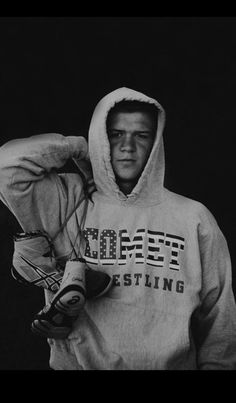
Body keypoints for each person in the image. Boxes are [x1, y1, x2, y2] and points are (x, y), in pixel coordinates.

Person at [0, 86, 236, 370]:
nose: (128, 146)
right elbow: (6, 167)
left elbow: (219, 317)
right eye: (115, 134)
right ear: (101, 137)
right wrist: (79, 148)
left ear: (156, 142)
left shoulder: (193, 217)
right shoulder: (69, 201)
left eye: (142, 135)